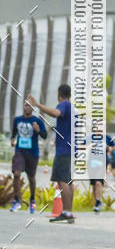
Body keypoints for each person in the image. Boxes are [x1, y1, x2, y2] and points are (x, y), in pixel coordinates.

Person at [27, 85, 75, 223]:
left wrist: (37, 105)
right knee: (69, 181)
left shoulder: (64, 105)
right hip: (71, 149)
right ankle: (69, 212)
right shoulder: (72, 107)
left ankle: (66, 212)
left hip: (64, 150)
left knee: (62, 180)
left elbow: (56, 113)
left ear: (59, 94)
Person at [10, 99, 47, 213]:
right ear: (23, 106)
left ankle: (32, 200)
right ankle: (17, 200)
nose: (27, 107)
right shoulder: (17, 120)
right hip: (19, 152)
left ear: (33, 108)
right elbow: (14, 133)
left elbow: (45, 135)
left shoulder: (37, 121)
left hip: (32, 153)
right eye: (25, 105)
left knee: (31, 178)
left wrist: (38, 130)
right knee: (16, 174)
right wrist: (12, 140)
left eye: (29, 106)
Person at [90, 134, 115, 212]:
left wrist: (110, 148)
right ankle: (96, 202)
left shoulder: (107, 137)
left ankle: (98, 201)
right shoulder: (90, 137)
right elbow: (81, 145)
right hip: (92, 163)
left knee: (98, 183)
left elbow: (113, 147)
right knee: (94, 185)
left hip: (102, 163)